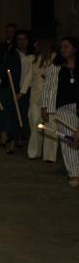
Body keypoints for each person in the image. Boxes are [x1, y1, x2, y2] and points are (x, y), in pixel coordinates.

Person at [41, 37, 79, 187]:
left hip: (78, 107)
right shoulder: (55, 67)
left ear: (75, 49)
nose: (62, 49)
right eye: (61, 47)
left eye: (66, 46)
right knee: (69, 139)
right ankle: (74, 173)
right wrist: (45, 106)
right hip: (63, 108)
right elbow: (48, 88)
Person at [0, 30, 32, 154]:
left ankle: (18, 138)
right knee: (10, 114)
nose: (22, 42)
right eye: (19, 39)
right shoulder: (11, 54)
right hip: (12, 88)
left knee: (21, 115)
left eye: (24, 39)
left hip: (26, 90)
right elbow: (3, 69)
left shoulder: (34, 55)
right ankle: (10, 142)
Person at [28, 38, 57, 162]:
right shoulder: (35, 59)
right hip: (35, 96)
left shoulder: (55, 58)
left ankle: (49, 156)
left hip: (51, 96)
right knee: (34, 122)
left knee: (51, 125)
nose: (34, 46)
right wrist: (22, 92)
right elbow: (30, 76)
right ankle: (35, 151)